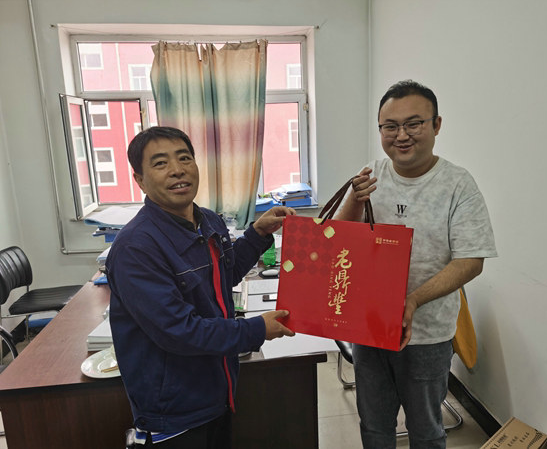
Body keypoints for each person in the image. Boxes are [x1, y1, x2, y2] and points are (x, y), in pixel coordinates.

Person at [106, 126, 295, 449]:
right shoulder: (135, 248)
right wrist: (256, 329)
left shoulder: (208, 221)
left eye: (184, 158)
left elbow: (223, 276)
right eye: (161, 163)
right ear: (140, 180)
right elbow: (178, 331)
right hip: (174, 412)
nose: (177, 170)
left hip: (217, 390)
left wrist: (257, 235)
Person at [336, 80, 497, 449]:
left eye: (414, 123)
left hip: (428, 334)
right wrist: (354, 201)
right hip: (371, 329)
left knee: (426, 430)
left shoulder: (458, 184)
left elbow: (471, 260)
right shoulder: (371, 174)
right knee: (374, 426)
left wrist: (412, 300)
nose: (402, 135)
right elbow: (340, 242)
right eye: (390, 126)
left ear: (436, 125)